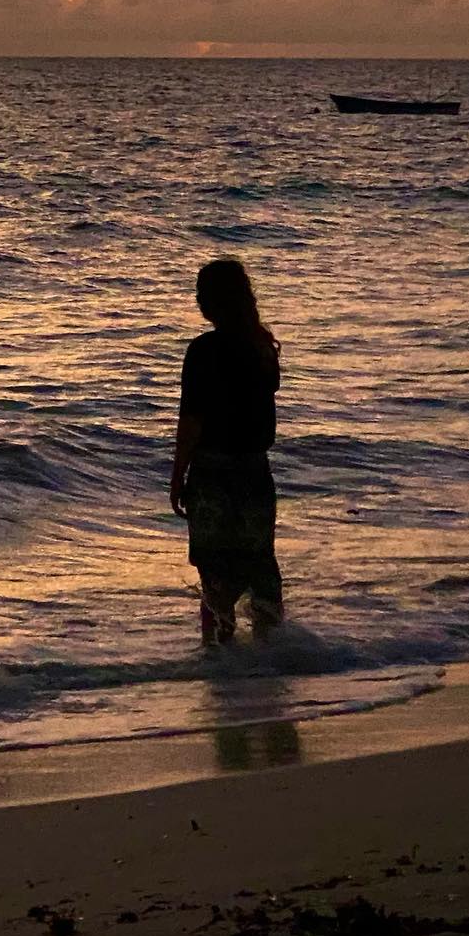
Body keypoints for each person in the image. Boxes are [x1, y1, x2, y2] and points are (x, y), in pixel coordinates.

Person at [169, 257, 284, 646]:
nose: (198, 300)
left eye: (202, 293)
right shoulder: (262, 347)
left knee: (215, 572)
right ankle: (274, 652)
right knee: (259, 564)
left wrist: (177, 475)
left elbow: (192, 420)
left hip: (213, 472)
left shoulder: (204, 351)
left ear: (215, 300)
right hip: (255, 470)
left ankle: (220, 655)